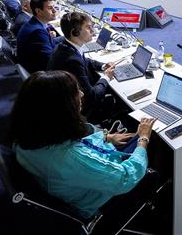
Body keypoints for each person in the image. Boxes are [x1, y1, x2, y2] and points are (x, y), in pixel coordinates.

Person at [10, 70, 156, 221]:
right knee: (154, 140)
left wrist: (106, 137)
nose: (81, 94)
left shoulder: (26, 133)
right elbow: (126, 177)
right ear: (59, 108)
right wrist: (144, 139)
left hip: (74, 183)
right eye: (75, 93)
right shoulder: (71, 159)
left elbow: (75, 144)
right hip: (99, 202)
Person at [47, 12, 117, 121]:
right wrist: (106, 77)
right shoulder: (71, 60)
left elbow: (85, 60)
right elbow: (91, 97)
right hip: (78, 111)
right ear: (75, 32)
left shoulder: (67, 46)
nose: (93, 31)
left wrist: (102, 66)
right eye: (88, 28)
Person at [17, 0, 59, 73]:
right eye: (50, 8)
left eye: (54, 7)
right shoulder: (37, 32)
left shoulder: (35, 23)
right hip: (42, 72)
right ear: (38, 11)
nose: (55, 11)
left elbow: (49, 43)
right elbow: (50, 61)